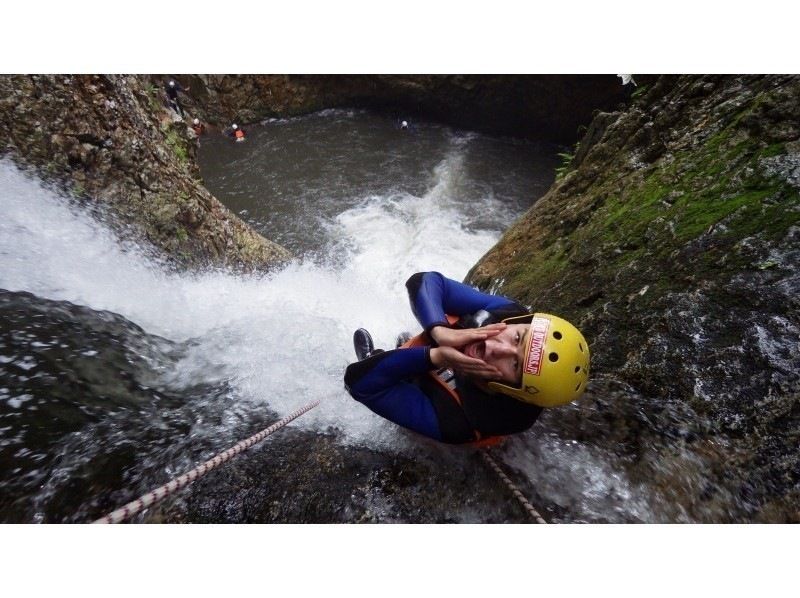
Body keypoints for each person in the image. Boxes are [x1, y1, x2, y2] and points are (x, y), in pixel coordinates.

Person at [344, 271, 590, 445]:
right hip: (437, 350)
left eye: (514, 364)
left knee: (383, 373)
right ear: (519, 324)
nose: (494, 346)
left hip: (431, 396)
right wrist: (439, 331)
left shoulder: (459, 421)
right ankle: (407, 350)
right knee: (452, 323)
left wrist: (435, 356)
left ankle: (380, 357)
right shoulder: (508, 313)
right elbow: (424, 281)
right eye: (517, 338)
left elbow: (357, 383)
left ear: (510, 390)